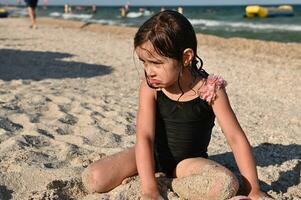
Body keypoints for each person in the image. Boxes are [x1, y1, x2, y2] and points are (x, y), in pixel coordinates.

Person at [82, 10, 272, 200]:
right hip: (152, 156)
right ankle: (157, 180)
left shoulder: (211, 89)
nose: (149, 71)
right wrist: (149, 191)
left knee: (224, 185)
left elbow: (235, 138)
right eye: (144, 63)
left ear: (186, 57)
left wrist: (253, 188)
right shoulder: (150, 88)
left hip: (188, 163)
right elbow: (145, 137)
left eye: (156, 63)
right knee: (94, 179)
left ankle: (168, 182)